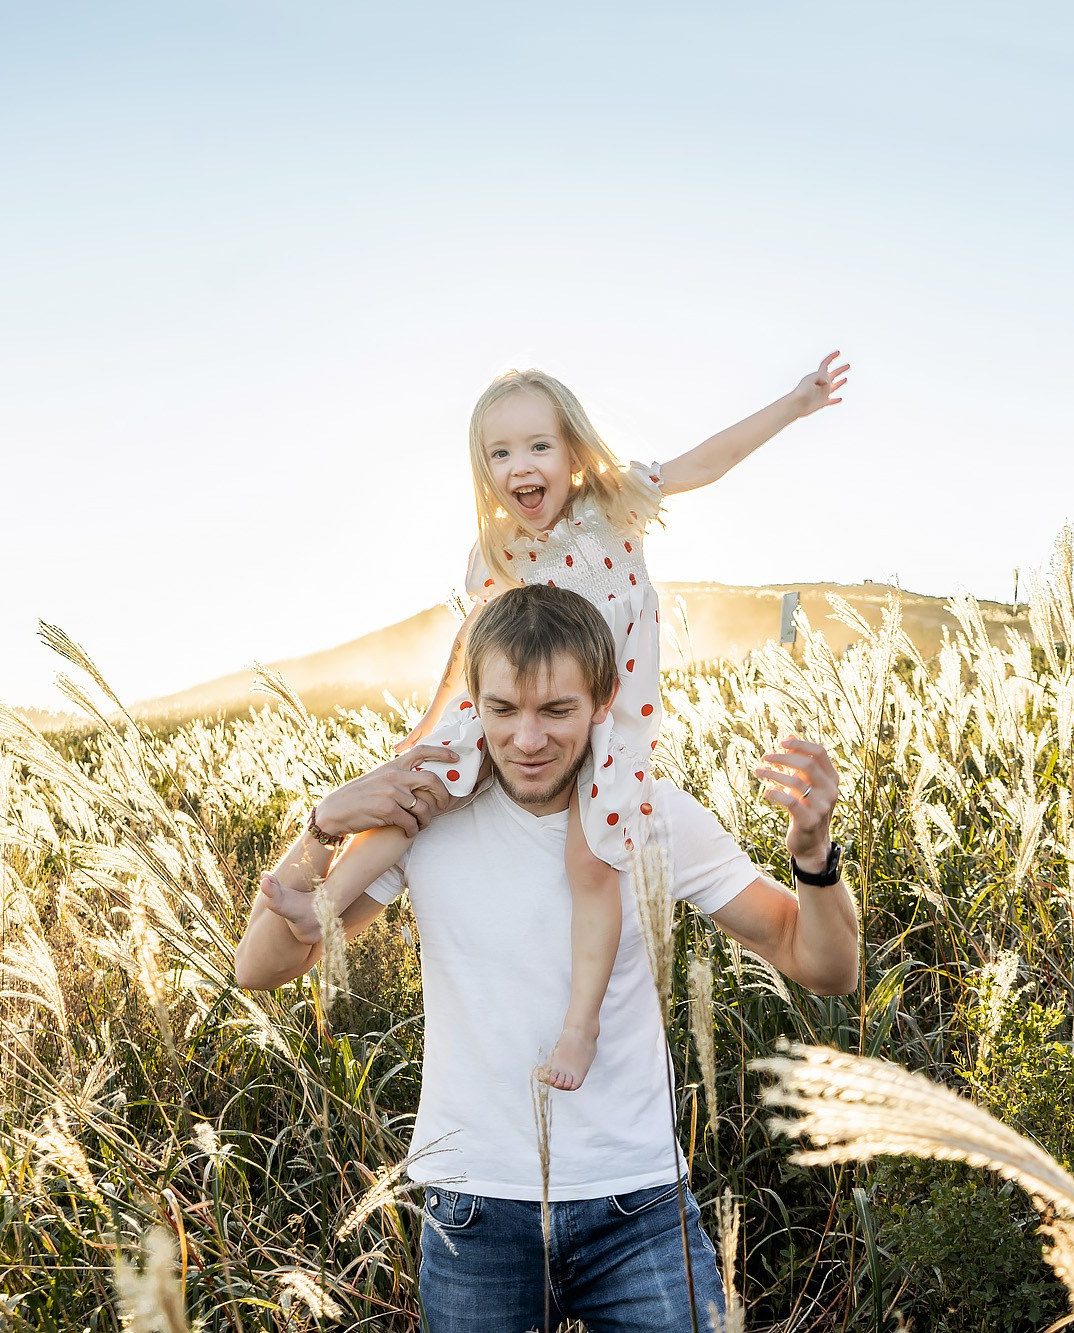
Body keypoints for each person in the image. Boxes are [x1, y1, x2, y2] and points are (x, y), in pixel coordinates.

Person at [235, 583, 860, 1332]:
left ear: (603, 702)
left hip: (639, 1207)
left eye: (555, 710)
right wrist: (323, 824)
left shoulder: (649, 813)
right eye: (503, 710)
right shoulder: (427, 814)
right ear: (475, 702)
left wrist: (814, 855)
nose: (527, 738)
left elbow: (824, 964)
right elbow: (263, 966)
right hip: (474, 1214)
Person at [260, 353, 848, 1090]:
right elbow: (471, 643)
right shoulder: (497, 552)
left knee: (592, 859)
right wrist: (431, 722)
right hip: (521, 703)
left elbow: (710, 459)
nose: (520, 465)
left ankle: (582, 1025)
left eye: (538, 445)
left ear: (573, 448)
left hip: (609, 717)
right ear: (483, 469)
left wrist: (794, 403)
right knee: (417, 790)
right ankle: (324, 908)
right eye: (499, 452)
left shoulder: (617, 504)